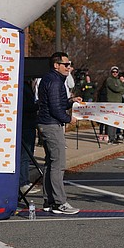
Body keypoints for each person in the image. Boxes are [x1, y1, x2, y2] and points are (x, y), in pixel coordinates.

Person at [37, 52, 82, 215]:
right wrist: (68, 119)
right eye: (66, 64)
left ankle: (49, 201)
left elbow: (58, 102)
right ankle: (59, 202)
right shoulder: (55, 81)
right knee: (58, 165)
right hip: (51, 125)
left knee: (50, 163)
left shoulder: (51, 79)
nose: (69, 67)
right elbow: (56, 109)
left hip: (46, 123)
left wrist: (71, 101)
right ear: (56, 65)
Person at [20, 77, 40, 195]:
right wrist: (38, 105)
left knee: (28, 154)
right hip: (25, 124)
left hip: (30, 123)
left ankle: (25, 180)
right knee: (25, 155)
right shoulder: (23, 87)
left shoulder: (27, 85)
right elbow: (25, 106)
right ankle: (23, 182)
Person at [105, 66, 124, 145]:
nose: (115, 73)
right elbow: (115, 89)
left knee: (116, 121)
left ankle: (114, 137)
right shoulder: (109, 80)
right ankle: (110, 139)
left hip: (118, 103)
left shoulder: (118, 80)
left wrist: (120, 88)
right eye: (113, 72)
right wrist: (120, 89)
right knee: (111, 121)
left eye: (116, 72)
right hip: (111, 102)